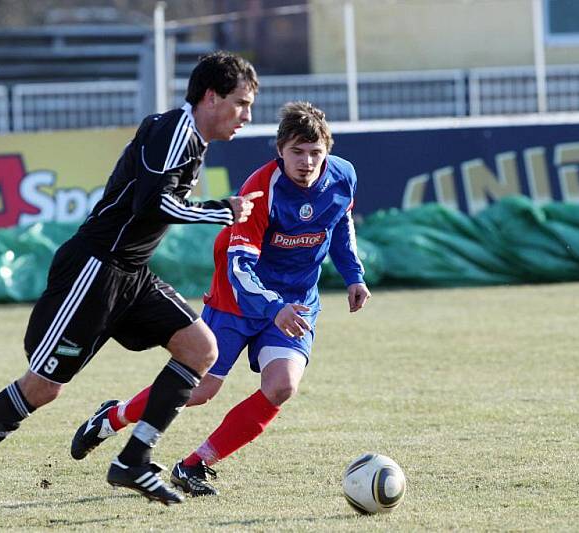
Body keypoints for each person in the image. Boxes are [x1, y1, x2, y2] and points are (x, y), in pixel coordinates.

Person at [0, 51, 262, 524]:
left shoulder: (192, 140)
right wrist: (222, 210)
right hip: (94, 270)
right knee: (42, 387)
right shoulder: (173, 130)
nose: (247, 115)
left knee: (201, 348)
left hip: (130, 274)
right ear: (210, 96)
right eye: (241, 103)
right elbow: (152, 203)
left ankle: (133, 460)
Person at [70, 101, 371, 497]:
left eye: (316, 153)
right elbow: (239, 267)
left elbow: (341, 224)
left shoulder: (342, 176)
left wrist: (353, 275)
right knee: (199, 391)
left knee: (281, 387)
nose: (307, 161)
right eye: (297, 151)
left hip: (296, 302)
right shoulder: (259, 192)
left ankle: (195, 464)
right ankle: (112, 418)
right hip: (238, 300)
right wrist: (271, 308)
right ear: (280, 150)